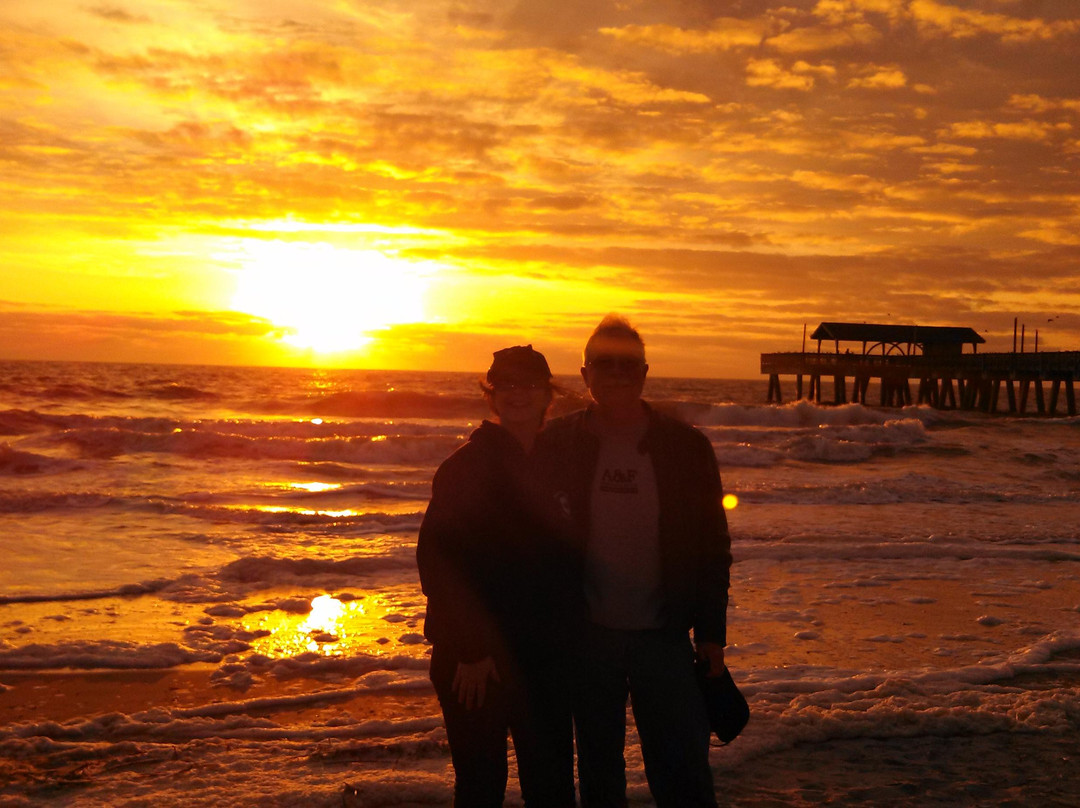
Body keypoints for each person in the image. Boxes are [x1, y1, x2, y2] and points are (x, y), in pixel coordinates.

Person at [535, 315, 732, 808]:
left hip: (664, 637)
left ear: (644, 374)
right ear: (586, 376)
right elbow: (530, 536)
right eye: (606, 364)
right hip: (587, 637)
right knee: (599, 775)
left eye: (628, 364)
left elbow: (712, 546)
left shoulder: (686, 447)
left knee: (683, 773)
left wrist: (711, 636)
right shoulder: (556, 443)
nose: (618, 374)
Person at [416, 345, 576, 808]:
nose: (516, 394)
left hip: (543, 658)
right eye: (504, 385)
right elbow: (439, 564)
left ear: (548, 393)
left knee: (551, 789)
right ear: (491, 395)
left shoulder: (562, 464)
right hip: (476, 662)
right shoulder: (466, 467)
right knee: (482, 787)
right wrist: (471, 650)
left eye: (528, 384)